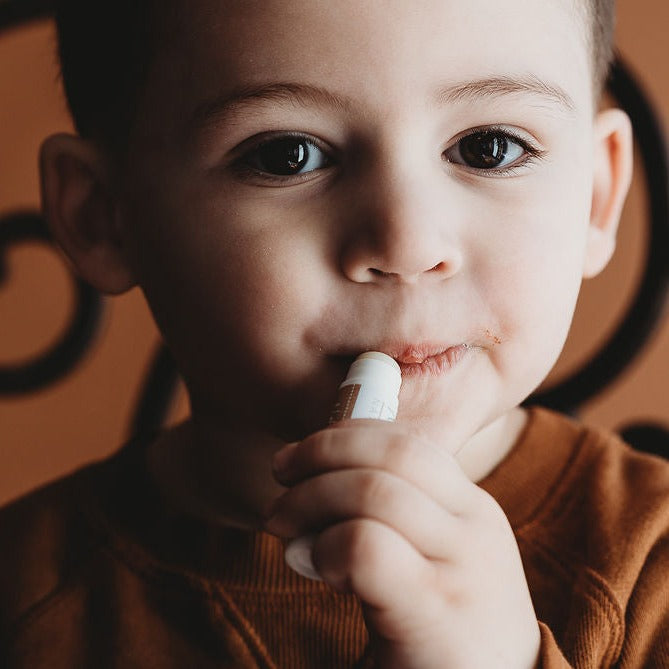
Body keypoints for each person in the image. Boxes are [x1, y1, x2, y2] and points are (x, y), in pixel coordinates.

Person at [2, 0, 668, 666]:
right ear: (103, 216)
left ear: (596, 193)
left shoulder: (651, 567)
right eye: (288, 156)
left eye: (487, 148)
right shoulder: (26, 599)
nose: (406, 243)